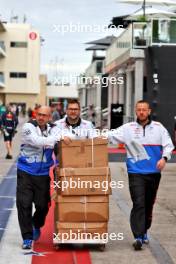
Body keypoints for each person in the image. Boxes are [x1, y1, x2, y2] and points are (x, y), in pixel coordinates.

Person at [107, 100, 174, 250]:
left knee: (148, 204)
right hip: (135, 172)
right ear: (136, 111)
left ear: (149, 111)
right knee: (138, 203)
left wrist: (164, 159)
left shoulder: (159, 128)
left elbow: (168, 146)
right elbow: (109, 136)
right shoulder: (128, 128)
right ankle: (137, 236)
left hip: (154, 173)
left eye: (144, 110)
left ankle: (144, 231)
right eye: (139, 110)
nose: (142, 112)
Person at [16, 106, 70, 250]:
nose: (40, 117)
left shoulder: (54, 128)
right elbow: (37, 141)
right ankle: (27, 238)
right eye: (39, 114)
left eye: (44, 115)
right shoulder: (28, 126)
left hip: (43, 174)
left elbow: (67, 139)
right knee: (24, 204)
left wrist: (62, 138)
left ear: (49, 117)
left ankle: (36, 224)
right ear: (35, 114)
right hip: (25, 172)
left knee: (42, 206)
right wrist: (57, 138)